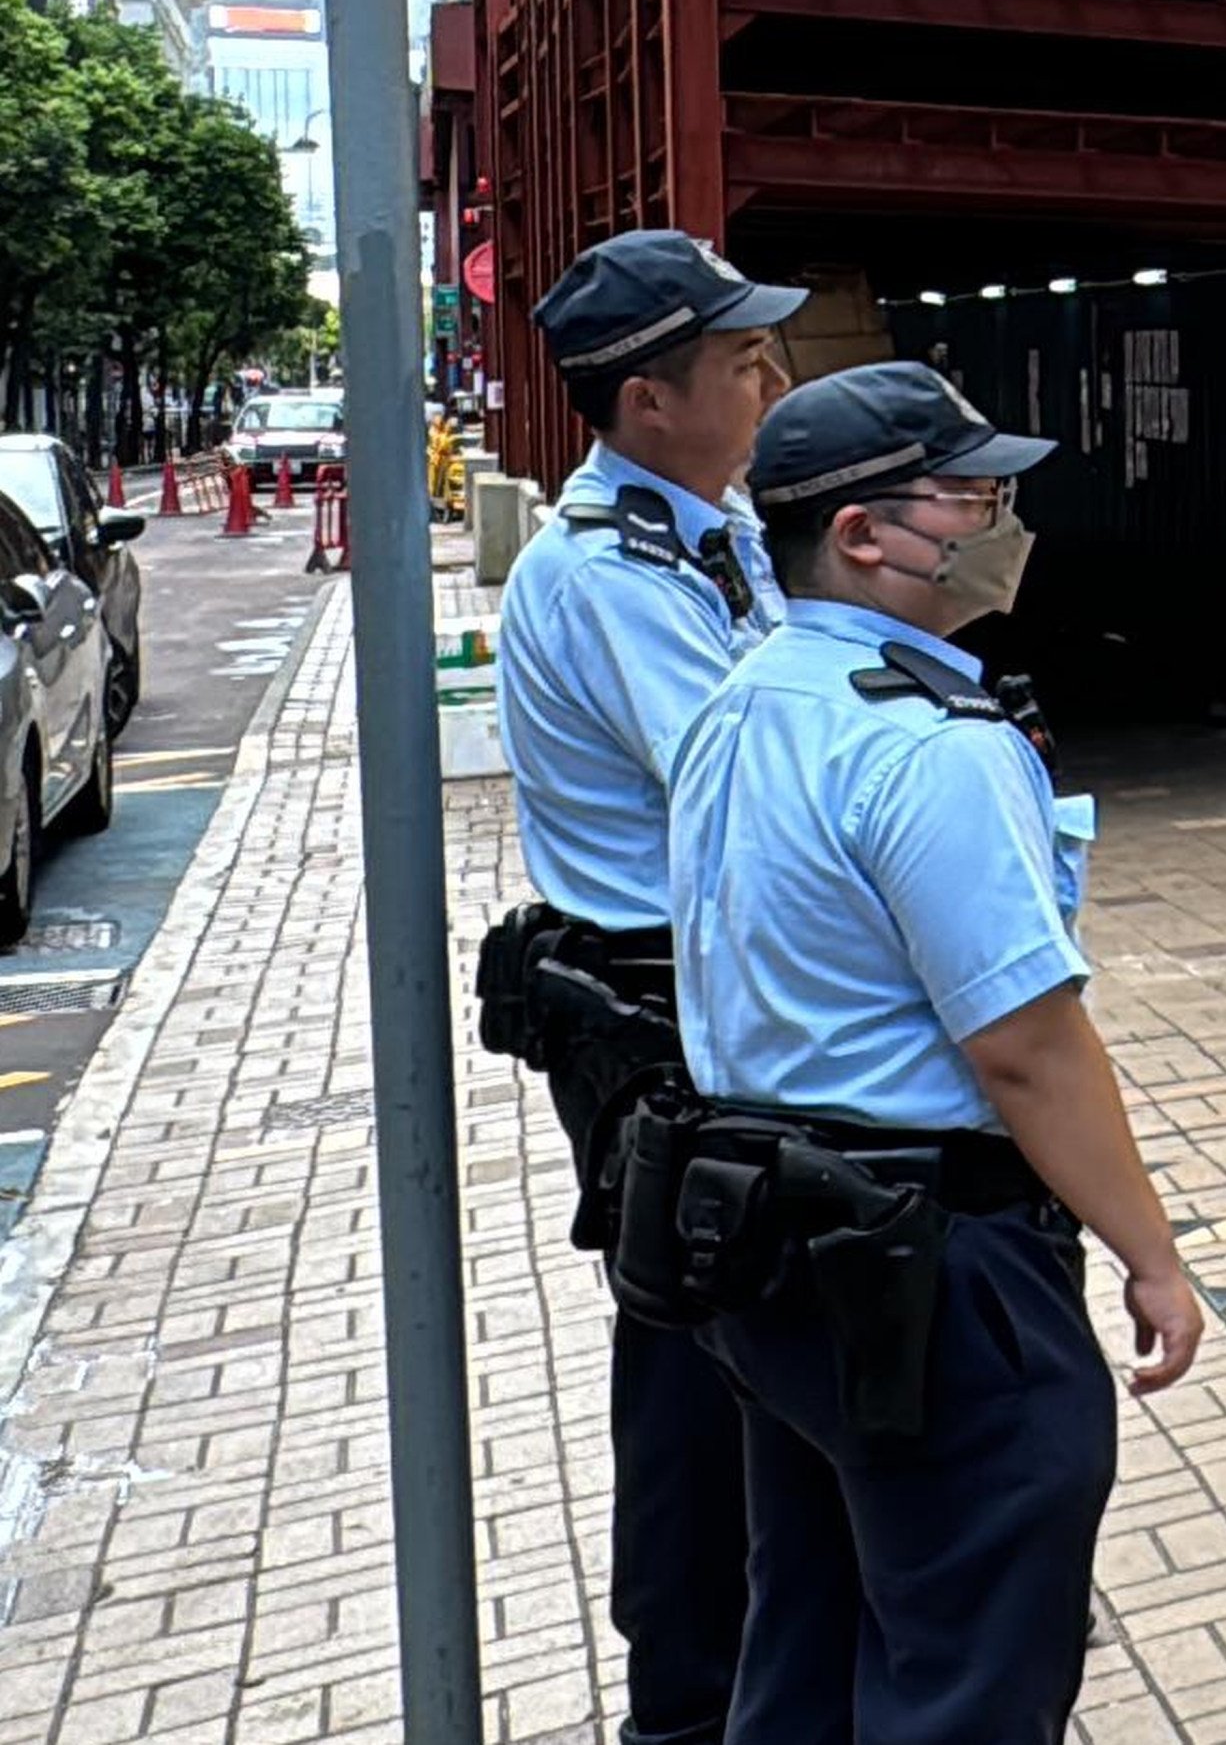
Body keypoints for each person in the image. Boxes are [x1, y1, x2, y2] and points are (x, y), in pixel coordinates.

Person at [660, 361, 1200, 1743]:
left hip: (769, 1238)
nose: (1001, 520)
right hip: (932, 1266)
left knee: (808, 1631)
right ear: (861, 533)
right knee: (968, 1671)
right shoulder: (933, 744)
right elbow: (1028, 1048)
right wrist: (1151, 1250)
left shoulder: (744, 697)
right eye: (974, 495)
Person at [485, 229, 805, 1745]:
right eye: (741, 358)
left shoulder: (714, 528)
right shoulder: (609, 572)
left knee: (763, 1355)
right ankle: (684, 1710)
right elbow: (754, 777)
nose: (772, 377)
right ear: (644, 398)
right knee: (689, 1374)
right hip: (660, 1017)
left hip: (717, 997)